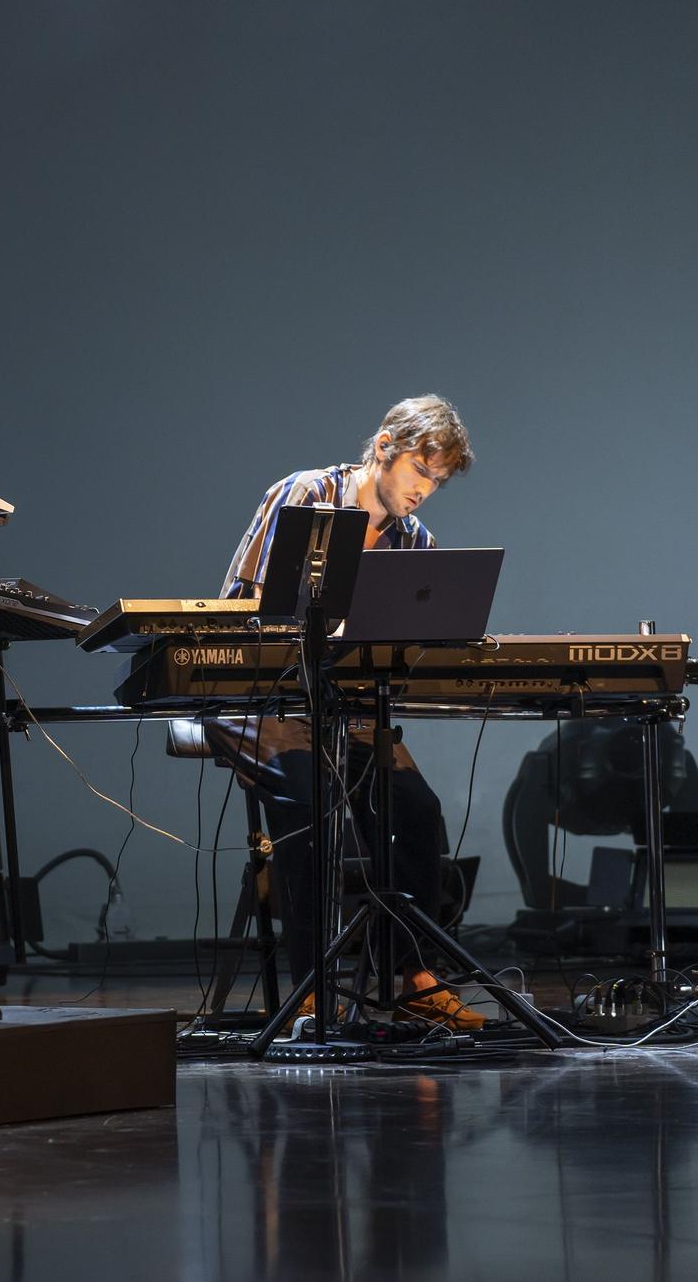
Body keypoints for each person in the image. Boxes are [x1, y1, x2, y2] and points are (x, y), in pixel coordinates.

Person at [210, 395, 484, 1029]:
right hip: (266, 700)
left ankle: (412, 976)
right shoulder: (306, 494)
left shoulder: (415, 541)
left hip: (347, 710)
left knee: (418, 810)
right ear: (386, 445)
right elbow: (241, 604)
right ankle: (310, 987)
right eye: (421, 470)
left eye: (437, 482)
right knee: (307, 805)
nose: (425, 490)